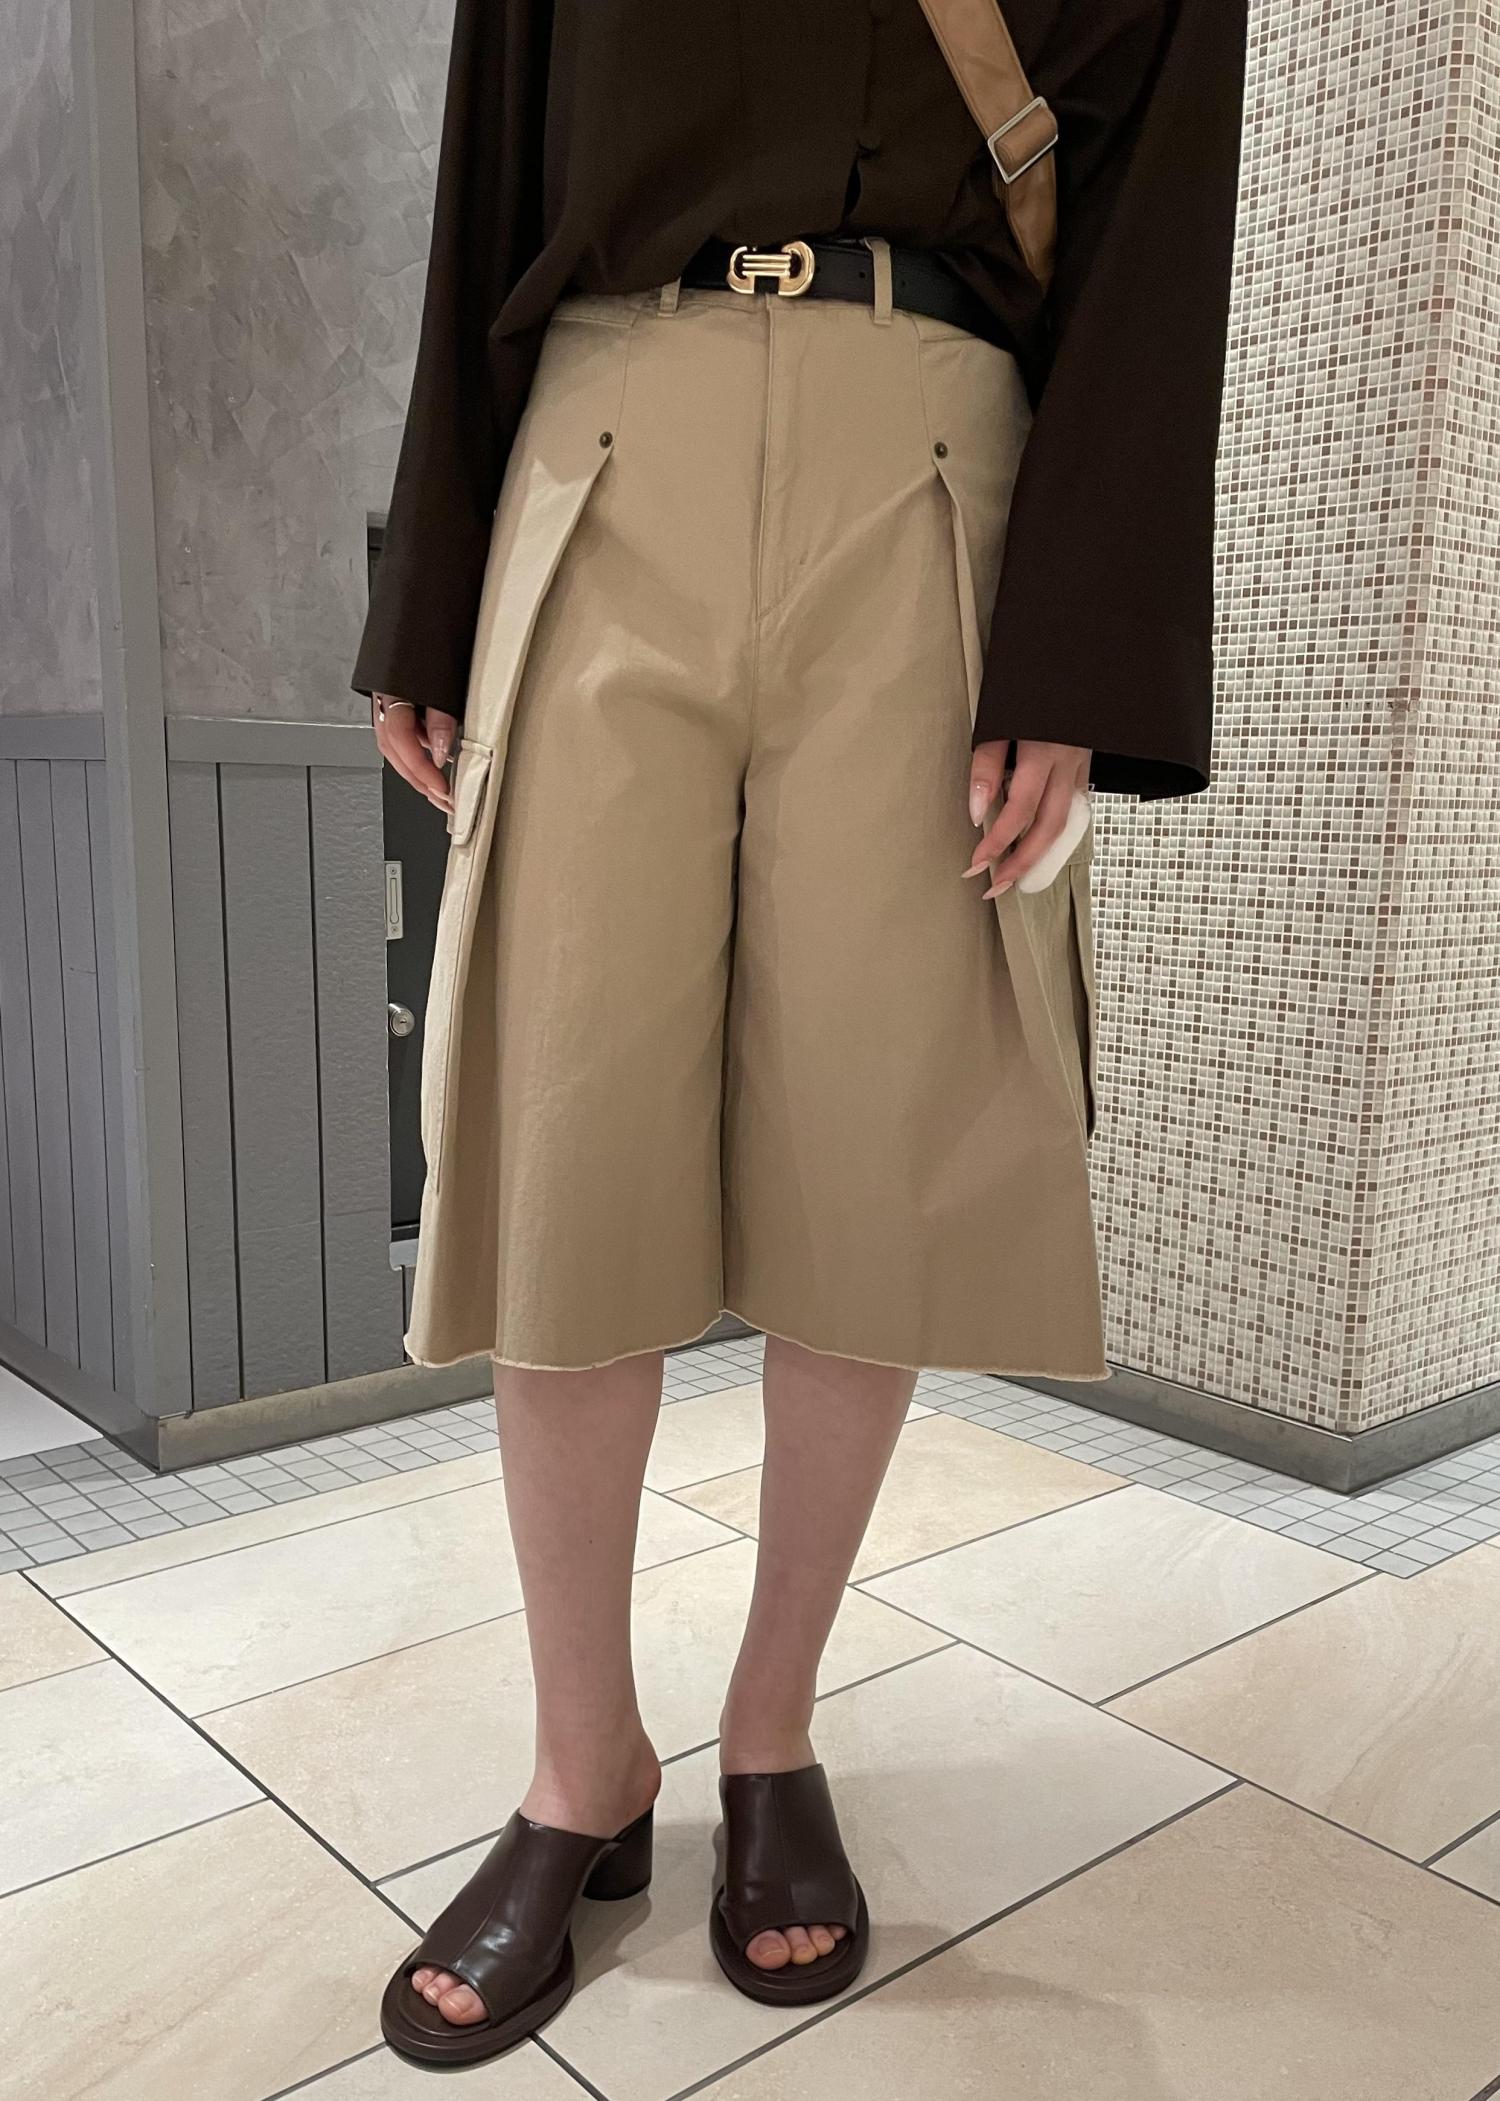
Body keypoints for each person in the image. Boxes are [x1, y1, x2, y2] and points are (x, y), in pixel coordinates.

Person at [353, 0, 1246, 2070]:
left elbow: (1152, 202)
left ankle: (774, 1730)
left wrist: (1080, 647)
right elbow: (495, 143)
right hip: (603, 426)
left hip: (935, 452)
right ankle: (584, 1764)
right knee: (564, 1133)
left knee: (877, 1138)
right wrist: (430, 584)